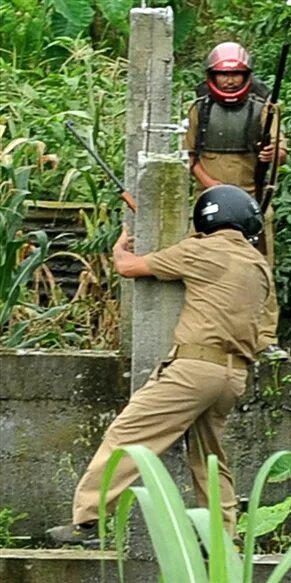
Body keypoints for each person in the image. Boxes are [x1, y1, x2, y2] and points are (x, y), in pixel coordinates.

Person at [46, 185, 273, 545]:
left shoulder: (199, 250)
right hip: (233, 376)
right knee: (211, 458)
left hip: (194, 369)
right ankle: (224, 537)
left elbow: (129, 267)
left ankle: (88, 521)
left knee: (128, 436)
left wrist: (122, 244)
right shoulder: (258, 264)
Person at [183, 41, 288, 360]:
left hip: (253, 204)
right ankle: (203, 337)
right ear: (211, 75)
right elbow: (187, 157)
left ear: (246, 76)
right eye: (223, 75)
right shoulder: (198, 109)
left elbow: (281, 152)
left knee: (260, 270)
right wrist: (211, 185)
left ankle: (264, 339)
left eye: (237, 75)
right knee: (200, 268)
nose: (230, 81)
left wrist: (273, 154)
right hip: (208, 204)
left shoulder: (266, 109)